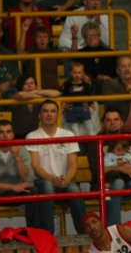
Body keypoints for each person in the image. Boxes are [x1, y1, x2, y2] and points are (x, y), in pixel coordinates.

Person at [26, 99, 86, 234]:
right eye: (45, 111)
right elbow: (35, 165)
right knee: (47, 187)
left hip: (64, 180)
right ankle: (48, 234)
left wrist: (66, 179)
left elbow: (73, 164)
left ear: (58, 115)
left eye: (53, 111)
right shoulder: (32, 136)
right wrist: (52, 178)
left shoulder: (68, 134)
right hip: (43, 180)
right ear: (39, 115)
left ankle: (83, 233)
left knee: (75, 189)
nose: (49, 115)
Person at [0, 124, 41, 239]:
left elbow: (29, 178)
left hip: (16, 192)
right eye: (1, 132)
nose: (5, 135)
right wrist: (12, 187)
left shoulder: (21, 149)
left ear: (13, 134)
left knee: (34, 189)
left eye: (8, 132)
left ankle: (33, 233)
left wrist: (17, 157)